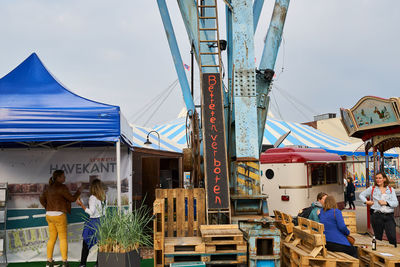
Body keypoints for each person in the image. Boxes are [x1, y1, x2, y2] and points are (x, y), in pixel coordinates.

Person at [40, 170, 82, 267]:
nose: (65, 178)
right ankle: (64, 262)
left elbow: (41, 198)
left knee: (52, 239)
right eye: (63, 176)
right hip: (59, 215)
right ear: (58, 177)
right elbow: (71, 199)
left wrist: (47, 207)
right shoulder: (62, 187)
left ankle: (49, 261)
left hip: (49, 215)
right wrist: (79, 191)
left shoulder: (48, 188)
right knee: (62, 238)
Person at [359, 172, 398, 247]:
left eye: (380, 178)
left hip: (389, 216)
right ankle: (380, 257)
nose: (378, 180)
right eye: (376, 178)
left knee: (392, 237)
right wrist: (367, 202)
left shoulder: (390, 189)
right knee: (378, 238)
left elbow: (396, 203)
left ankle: (394, 256)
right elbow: (361, 195)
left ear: (384, 179)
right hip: (377, 216)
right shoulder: (372, 189)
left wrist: (386, 202)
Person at [77, 179, 106, 267]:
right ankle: (98, 263)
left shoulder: (93, 197)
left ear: (93, 187)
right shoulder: (104, 196)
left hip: (93, 222)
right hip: (102, 221)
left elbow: (91, 212)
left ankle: (82, 264)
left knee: (86, 242)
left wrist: (81, 205)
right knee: (100, 243)